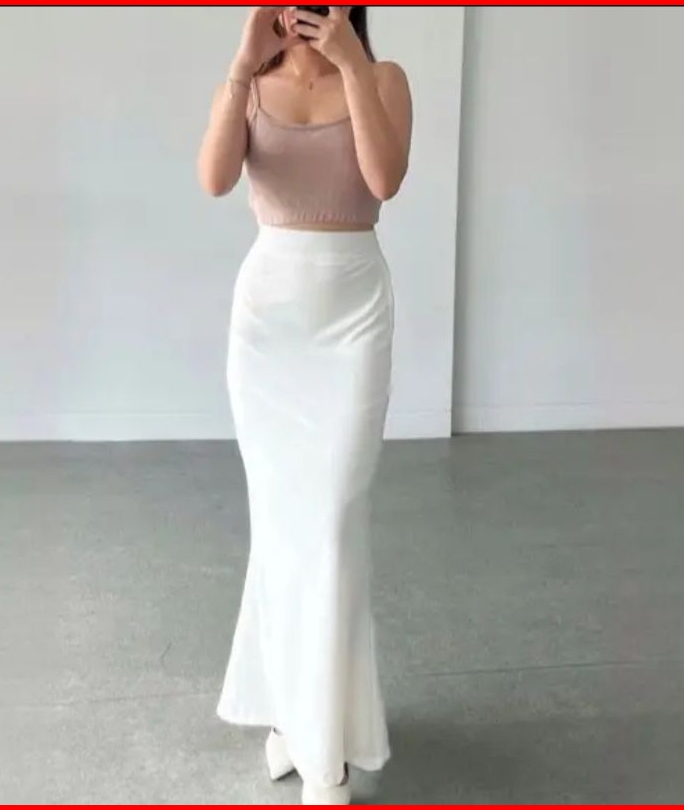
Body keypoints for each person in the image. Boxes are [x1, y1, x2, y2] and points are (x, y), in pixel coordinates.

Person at [197, 6, 412, 805]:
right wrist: (239, 66)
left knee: (330, 526)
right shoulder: (249, 85)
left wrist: (352, 65)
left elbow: (384, 181)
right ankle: (295, 719)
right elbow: (214, 178)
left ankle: (324, 750)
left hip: (351, 320)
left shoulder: (384, 79)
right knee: (282, 528)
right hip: (268, 331)